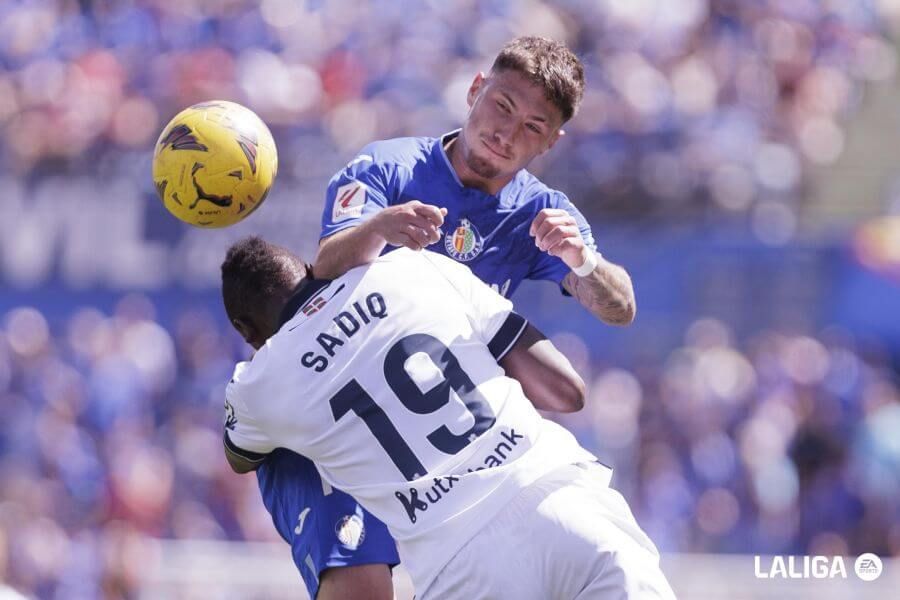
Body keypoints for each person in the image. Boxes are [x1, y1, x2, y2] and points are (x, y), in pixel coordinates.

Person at [250, 36, 639, 597]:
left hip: (449, 448)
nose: (506, 133)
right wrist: (379, 229)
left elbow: (620, 306)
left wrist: (584, 259)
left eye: (532, 127)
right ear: (476, 90)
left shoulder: (538, 212)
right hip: (351, 421)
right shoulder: (389, 166)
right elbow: (326, 269)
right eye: (502, 106)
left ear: (551, 142)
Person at [221, 237, 674, 599]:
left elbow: (239, 455)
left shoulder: (260, 384)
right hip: (557, 495)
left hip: (458, 563)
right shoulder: (413, 268)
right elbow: (563, 388)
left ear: (246, 331)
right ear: (305, 268)